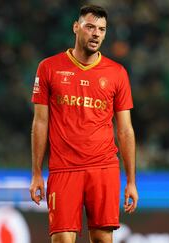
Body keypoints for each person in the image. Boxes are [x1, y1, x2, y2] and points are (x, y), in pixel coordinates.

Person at [29, 5, 138, 243]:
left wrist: (131, 181)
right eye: (90, 27)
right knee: (62, 239)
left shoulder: (117, 73)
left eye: (102, 29)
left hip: (103, 167)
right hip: (64, 168)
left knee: (101, 238)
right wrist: (37, 173)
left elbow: (125, 129)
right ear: (76, 28)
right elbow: (40, 122)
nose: (96, 33)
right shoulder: (48, 68)